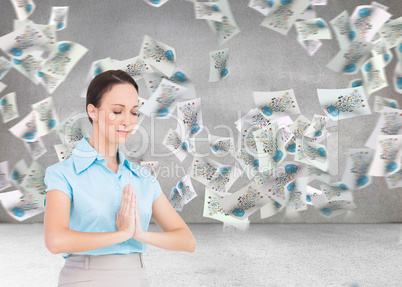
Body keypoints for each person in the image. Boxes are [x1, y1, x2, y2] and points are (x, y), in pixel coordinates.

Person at [43, 70, 196, 287]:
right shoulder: (62, 174)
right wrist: (122, 234)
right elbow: (56, 241)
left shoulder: (143, 178)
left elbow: (187, 241)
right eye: (117, 111)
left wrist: (140, 234)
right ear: (93, 112)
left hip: (137, 278)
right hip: (83, 279)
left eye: (134, 112)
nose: (127, 121)